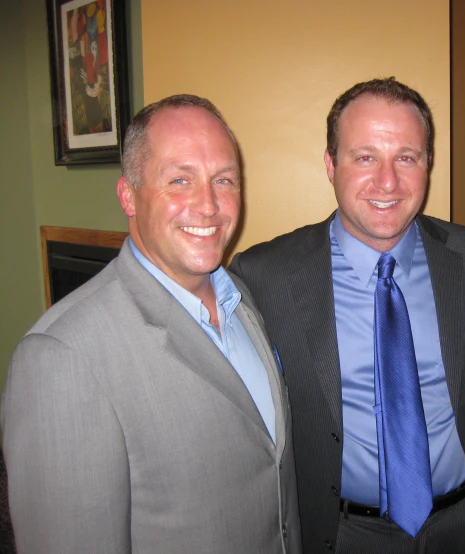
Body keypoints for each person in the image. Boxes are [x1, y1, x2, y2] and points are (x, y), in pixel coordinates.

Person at [1, 94, 301, 553]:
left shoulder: (241, 299)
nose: (209, 205)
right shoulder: (61, 358)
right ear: (128, 195)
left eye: (224, 179)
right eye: (180, 180)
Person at [230, 77, 465, 553]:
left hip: (462, 528)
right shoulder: (266, 275)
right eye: (366, 157)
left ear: (428, 165)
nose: (388, 181)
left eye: (407, 158)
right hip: (342, 534)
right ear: (331, 164)